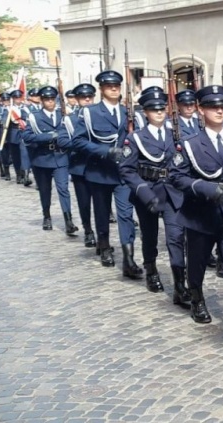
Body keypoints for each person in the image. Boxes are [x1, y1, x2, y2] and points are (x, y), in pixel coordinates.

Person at [167, 84, 223, 334]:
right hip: (201, 215)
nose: (218, 111)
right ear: (200, 109)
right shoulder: (190, 144)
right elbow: (176, 177)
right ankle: (196, 300)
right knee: (197, 262)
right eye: (211, 106)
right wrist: (206, 189)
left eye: (222, 107)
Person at [119, 90, 190, 303]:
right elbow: (127, 170)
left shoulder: (176, 134)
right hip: (148, 192)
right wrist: (144, 193)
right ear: (146, 112)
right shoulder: (136, 138)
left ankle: (180, 284)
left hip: (172, 192)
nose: (159, 113)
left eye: (162, 109)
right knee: (149, 235)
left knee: (176, 238)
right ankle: (151, 270)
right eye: (154, 110)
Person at [70, 70, 142, 278]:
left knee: (126, 214)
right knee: (101, 212)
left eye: (117, 85)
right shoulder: (90, 113)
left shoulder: (128, 112)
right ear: (101, 89)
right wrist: (105, 151)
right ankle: (104, 245)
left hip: (123, 173)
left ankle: (129, 257)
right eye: (109, 85)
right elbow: (78, 141)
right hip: (99, 171)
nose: (113, 88)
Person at [23, 85, 78, 236]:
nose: (50, 102)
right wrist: (49, 136)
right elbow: (27, 137)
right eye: (46, 99)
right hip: (42, 159)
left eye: (52, 99)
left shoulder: (64, 115)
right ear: (41, 101)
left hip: (60, 158)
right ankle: (46, 216)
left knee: (63, 189)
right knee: (45, 190)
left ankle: (68, 220)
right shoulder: (35, 117)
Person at [63, 83, 98, 248]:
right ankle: (88, 230)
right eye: (83, 97)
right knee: (84, 202)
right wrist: (79, 145)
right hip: (80, 167)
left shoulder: (100, 116)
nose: (87, 99)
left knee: (101, 204)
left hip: (99, 166)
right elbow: (62, 139)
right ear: (77, 99)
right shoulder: (70, 119)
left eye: (90, 96)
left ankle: (102, 234)